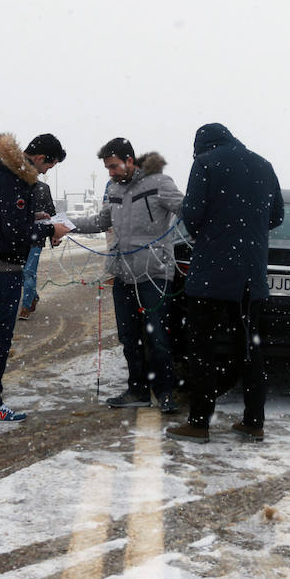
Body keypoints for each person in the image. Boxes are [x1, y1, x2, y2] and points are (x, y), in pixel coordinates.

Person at [167, 123, 284, 443]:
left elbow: (191, 217)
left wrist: (215, 225)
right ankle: (253, 421)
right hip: (252, 277)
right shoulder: (264, 165)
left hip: (212, 277)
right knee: (251, 350)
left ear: (200, 146)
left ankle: (199, 422)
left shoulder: (205, 163)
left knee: (202, 349)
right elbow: (276, 217)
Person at [66, 138, 184, 413]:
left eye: (114, 166)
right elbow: (100, 221)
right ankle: (137, 390)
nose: (111, 173)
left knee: (158, 337)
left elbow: (186, 211)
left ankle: (165, 392)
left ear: (130, 161)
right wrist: (66, 225)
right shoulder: (114, 189)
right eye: (107, 168)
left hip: (154, 274)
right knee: (129, 337)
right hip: (123, 273)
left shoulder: (160, 183)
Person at [0, 132, 67, 421]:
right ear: (39, 158)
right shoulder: (12, 178)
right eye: (49, 165)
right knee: (0, 333)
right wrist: (51, 230)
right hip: (2, 266)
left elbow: (7, 220)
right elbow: (14, 232)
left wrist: (34, 220)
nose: (47, 171)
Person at [18, 174, 56, 320]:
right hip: (19, 238)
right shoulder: (16, 186)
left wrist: (54, 235)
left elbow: (51, 213)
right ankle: (33, 296)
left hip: (37, 238)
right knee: (20, 273)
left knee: (29, 272)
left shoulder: (43, 188)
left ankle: (25, 306)